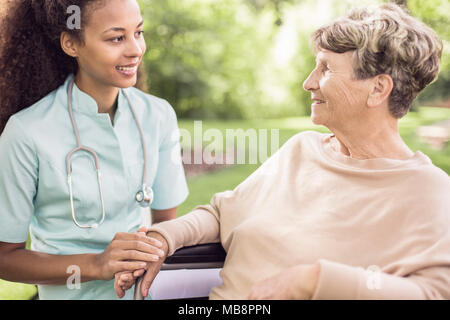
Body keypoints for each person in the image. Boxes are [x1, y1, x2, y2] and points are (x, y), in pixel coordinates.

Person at [117, 3, 450, 300]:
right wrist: (162, 238)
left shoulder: (427, 191)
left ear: (377, 88)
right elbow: (223, 213)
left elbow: (433, 293)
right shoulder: (302, 150)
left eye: (326, 69)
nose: (309, 82)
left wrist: (317, 281)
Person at [0, 0, 188, 300]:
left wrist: (154, 248)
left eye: (138, 33)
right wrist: (97, 264)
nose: (136, 49)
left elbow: (168, 226)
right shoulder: (26, 133)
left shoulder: (158, 116)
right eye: (116, 37)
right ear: (71, 43)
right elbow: (5, 257)